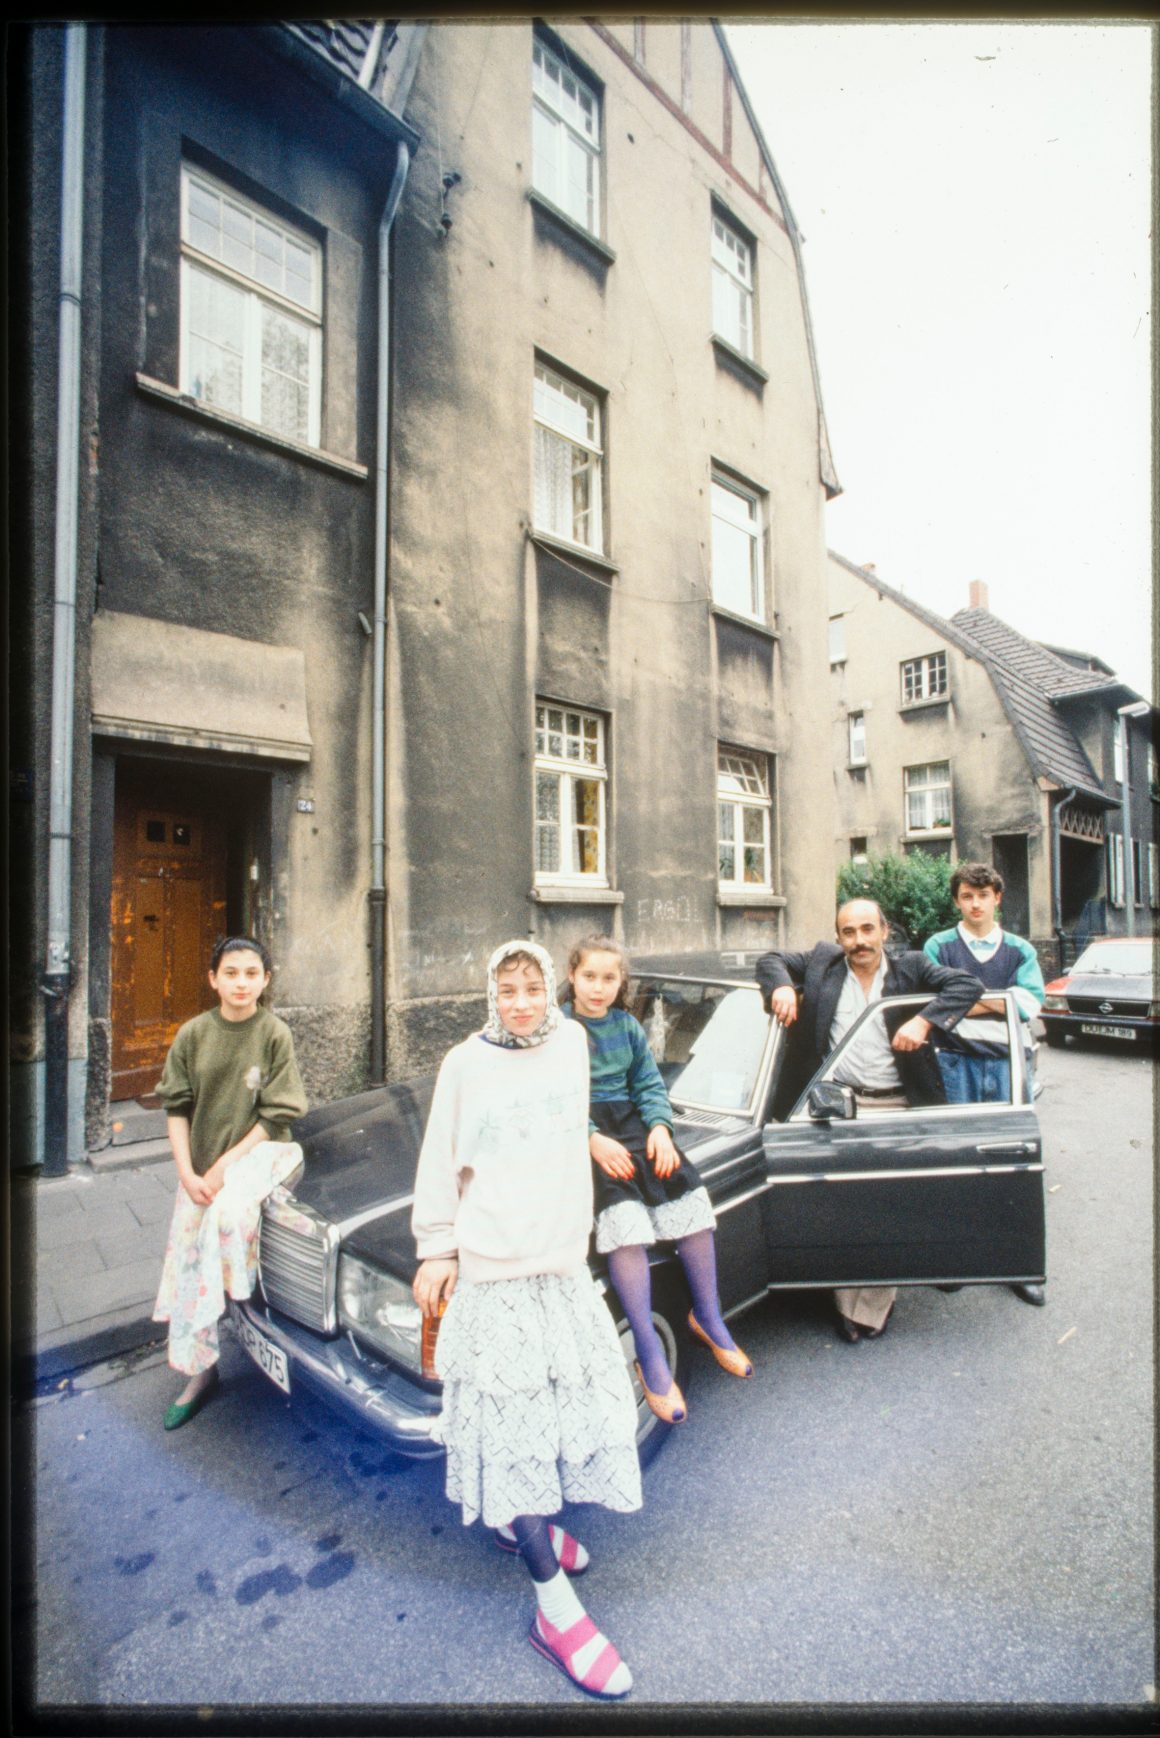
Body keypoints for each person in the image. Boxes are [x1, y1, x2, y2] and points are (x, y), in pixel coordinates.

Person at [411, 939, 642, 1702]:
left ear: (551, 991)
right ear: (489, 993)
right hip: (498, 1274)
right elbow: (441, 1161)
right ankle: (554, 1610)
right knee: (515, 1437)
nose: (519, 1001)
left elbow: (573, 1126)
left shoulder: (574, 1042)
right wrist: (436, 1247)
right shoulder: (463, 1064)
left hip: (562, 1269)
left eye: (531, 986)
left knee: (559, 1417)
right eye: (506, 988)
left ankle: (520, 1520)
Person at [756, 899, 981, 1344]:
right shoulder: (823, 962)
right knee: (840, 1203)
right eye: (849, 932)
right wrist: (780, 986)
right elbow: (771, 959)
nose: (858, 941)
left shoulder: (913, 967)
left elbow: (967, 984)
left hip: (897, 1103)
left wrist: (924, 1020)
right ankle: (849, 1303)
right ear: (838, 937)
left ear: (884, 930)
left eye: (866, 930)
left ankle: (866, 1313)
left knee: (884, 1206)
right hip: (837, 1103)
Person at [561, 936, 752, 1427]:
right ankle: (648, 1352)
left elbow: (648, 1085)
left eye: (609, 978)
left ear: (620, 981)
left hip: (634, 1127)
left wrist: (661, 1130)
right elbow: (550, 1096)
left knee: (688, 1200)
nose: (598, 988)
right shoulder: (558, 1028)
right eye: (589, 977)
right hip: (582, 1135)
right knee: (624, 1222)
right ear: (572, 976)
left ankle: (708, 1319)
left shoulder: (626, 1027)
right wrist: (589, 1138)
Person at [152, 935, 307, 1429]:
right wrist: (188, 1173)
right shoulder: (193, 1034)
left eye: (252, 974)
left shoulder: (273, 1033)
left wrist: (223, 1169)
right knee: (187, 1267)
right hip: (199, 1171)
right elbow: (175, 1106)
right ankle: (201, 1373)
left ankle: (249, 1312)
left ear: (265, 980)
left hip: (259, 1156)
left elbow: (276, 1113)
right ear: (213, 978)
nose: (242, 983)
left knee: (227, 1223)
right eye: (231, 973)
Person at [924, 862, 1047, 1307]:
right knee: (958, 1157)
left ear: (997, 898)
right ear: (957, 901)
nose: (975, 904)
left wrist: (966, 1002)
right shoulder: (939, 946)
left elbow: (1030, 1003)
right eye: (966, 896)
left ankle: (1019, 1264)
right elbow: (932, 1001)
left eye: (983, 895)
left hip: (1007, 1063)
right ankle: (959, 1258)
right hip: (954, 1062)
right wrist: (998, 1001)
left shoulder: (1018, 950)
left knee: (1012, 1159)